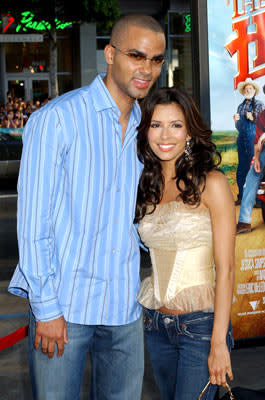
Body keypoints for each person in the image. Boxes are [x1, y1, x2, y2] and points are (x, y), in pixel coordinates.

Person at [8, 14, 166, 400]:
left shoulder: (149, 128)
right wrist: (46, 309)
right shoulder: (58, 120)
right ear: (110, 54)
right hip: (65, 307)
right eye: (136, 55)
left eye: (157, 59)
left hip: (123, 308)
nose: (147, 69)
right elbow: (32, 225)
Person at [135, 87, 235, 400]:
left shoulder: (212, 183)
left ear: (189, 131)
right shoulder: (146, 184)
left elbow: (227, 268)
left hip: (201, 329)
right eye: (156, 125)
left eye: (175, 125)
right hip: (155, 325)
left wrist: (219, 342)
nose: (165, 135)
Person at [233, 77, 264, 205]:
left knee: (255, 168)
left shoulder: (259, 104)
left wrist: (253, 118)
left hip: (254, 139)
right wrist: (236, 121)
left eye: (250, 88)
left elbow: (262, 123)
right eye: (246, 88)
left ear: (254, 90)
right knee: (242, 168)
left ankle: (257, 199)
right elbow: (239, 127)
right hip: (242, 139)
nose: (248, 90)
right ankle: (241, 197)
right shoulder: (240, 106)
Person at [236, 105, 265, 234]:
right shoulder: (263, 115)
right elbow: (258, 140)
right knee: (252, 176)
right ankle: (244, 221)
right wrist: (257, 159)